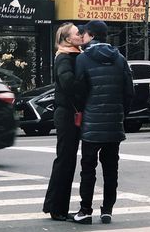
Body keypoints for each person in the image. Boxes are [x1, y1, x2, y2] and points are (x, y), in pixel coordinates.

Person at [71, 20, 135, 224]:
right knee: (111, 168)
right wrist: (121, 114)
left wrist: (81, 110)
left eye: (85, 34)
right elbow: (129, 91)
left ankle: (85, 210)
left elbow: (78, 92)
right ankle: (107, 210)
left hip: (92, 123)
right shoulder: (120, 59)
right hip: (114, 123)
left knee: (88, 168)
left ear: (90, 35)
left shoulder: (83, 59)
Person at [43, 22, 84, 221]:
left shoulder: (72, 55)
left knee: (67, 160)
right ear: (68, 39)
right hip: (67, 114)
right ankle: (56, 208)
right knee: (65, 161)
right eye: (77, 33)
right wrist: (84, 82)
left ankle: (57, 207)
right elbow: (67, 83)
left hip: (69, 113)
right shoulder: (65, 57)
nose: (81, 35)